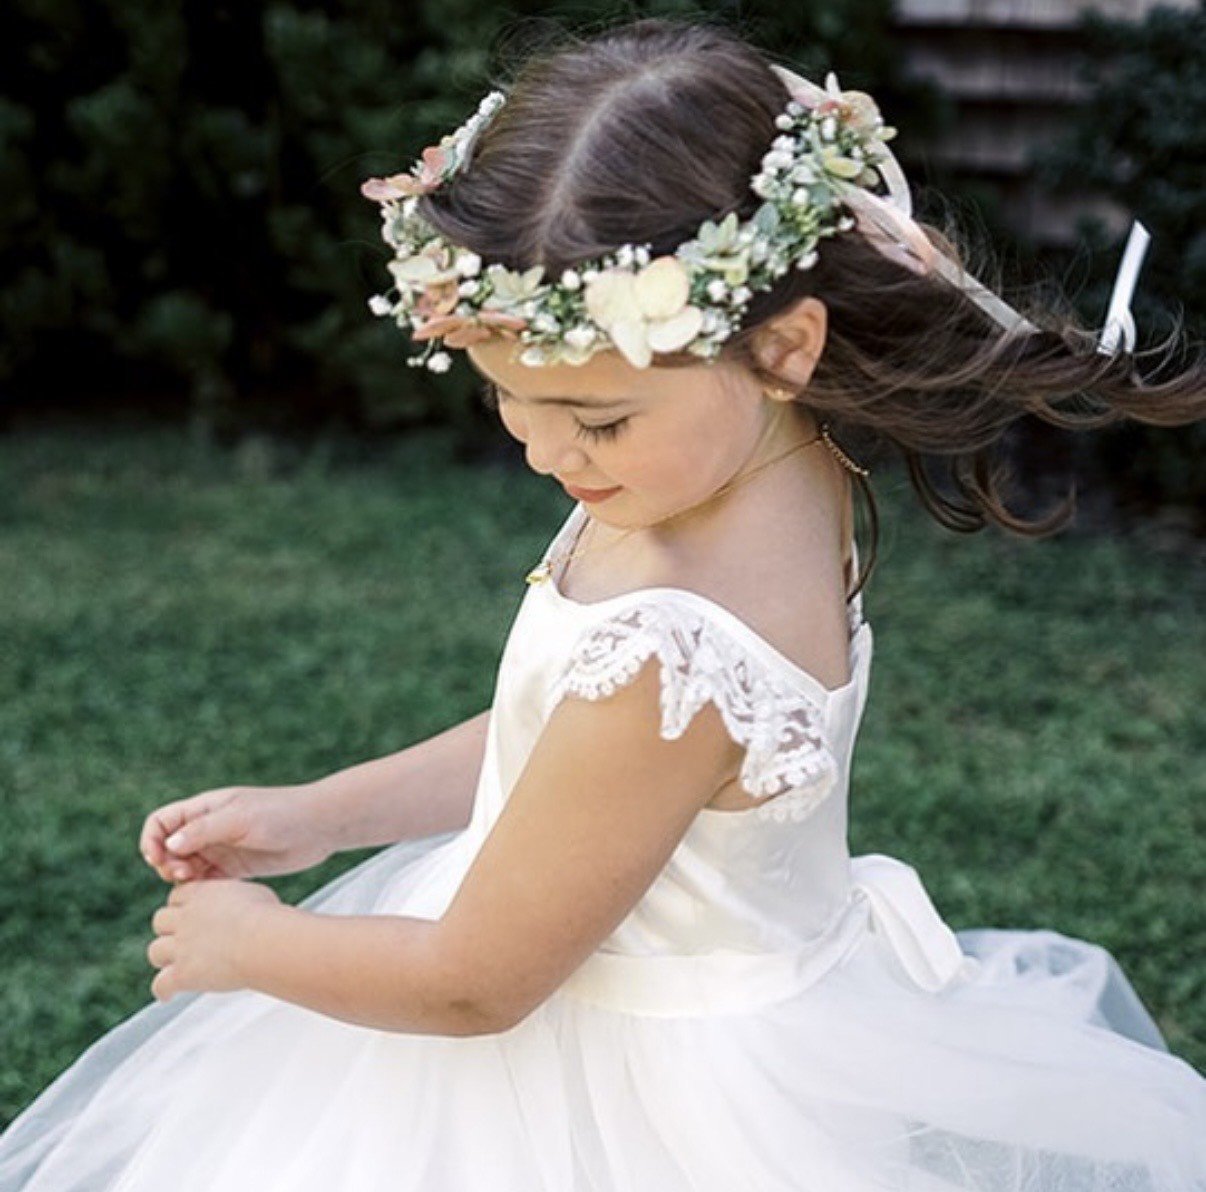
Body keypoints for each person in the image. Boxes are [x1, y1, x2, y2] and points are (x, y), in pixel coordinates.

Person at [2, 16, 1204, 1191]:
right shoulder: (759, 465)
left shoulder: (681, 630)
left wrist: (257, 945)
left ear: (784, 346)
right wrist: (326, 813)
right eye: (508, 400)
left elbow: (474, 981)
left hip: (633, 1100)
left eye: (595, 417)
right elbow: (568, 754)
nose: (543, 451)